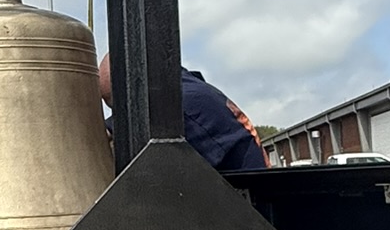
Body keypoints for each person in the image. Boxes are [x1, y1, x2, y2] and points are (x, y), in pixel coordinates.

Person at [98, 55, 269, 173]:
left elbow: (102, 139)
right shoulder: (194, 91)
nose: (118, 114)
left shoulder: (184, 104)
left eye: (119, 108)